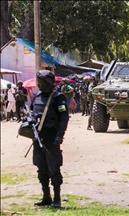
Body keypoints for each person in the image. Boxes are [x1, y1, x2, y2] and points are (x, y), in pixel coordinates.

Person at [31, 70, 69, 208]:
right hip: (37, 138)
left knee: (54, 168)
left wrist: (60, 135)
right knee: (41, 168)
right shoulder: (37, 96)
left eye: (40, 82)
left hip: (52, 139)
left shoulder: (58, 98)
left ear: (46, 83)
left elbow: (64, 117)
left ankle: (57, 199)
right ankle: (46, 197)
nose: (38, 84)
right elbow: (32, 113)